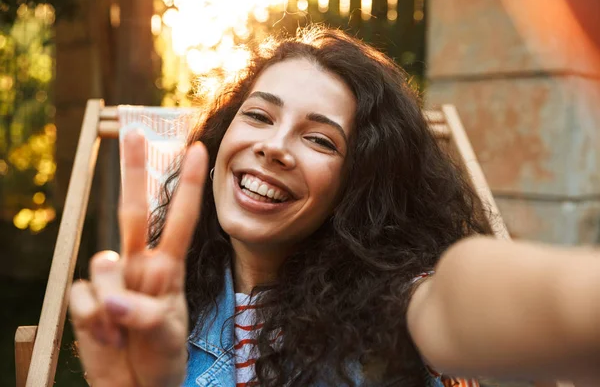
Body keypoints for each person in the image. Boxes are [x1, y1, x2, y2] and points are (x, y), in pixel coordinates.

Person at [68, 26, 600, 387]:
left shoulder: (393, 312)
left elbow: (458, 298)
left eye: (321, 140)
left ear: (357, 187)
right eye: (258, 116)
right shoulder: (164, 309)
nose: (274, 146)